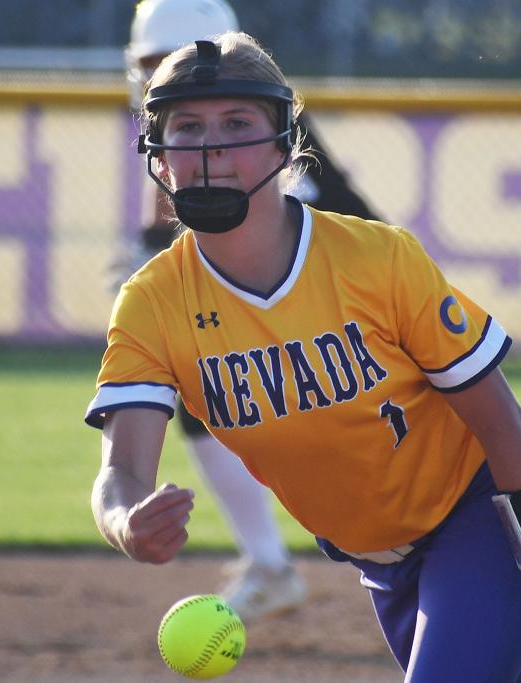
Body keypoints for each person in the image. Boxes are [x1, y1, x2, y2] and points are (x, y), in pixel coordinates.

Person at [88, 32, 521, 681]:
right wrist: (126, 521)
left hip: (483, 517)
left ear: (284, 141)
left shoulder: (376, 257)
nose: (211, 146)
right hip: (382, 565)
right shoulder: (151, 303)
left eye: (236, 122)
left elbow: (501, 420)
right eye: (187, 126)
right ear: (159, 156)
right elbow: (122, 470)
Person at [118, 0, 379, 623]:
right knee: (194, 394)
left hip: (352, 301)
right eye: (155, 64)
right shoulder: (214, 121)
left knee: (479, 456)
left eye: (172, 57)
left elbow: (237, 236)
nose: (169, 74)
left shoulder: (239, 130)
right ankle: (268, 563)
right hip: (298, 295)